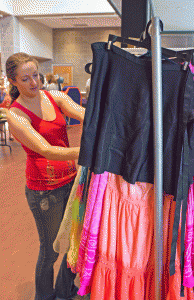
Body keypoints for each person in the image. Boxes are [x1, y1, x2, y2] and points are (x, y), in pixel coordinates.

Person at [6, 52, 85, 300]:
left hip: (72, 184)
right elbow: (45, 149)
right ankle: (44, 296)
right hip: (45, 192)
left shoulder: (55, 96)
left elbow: (86, 114)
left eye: (36, 76)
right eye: (26, 78)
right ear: (14, 82)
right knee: (50, 250)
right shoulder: (15, 114)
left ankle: (64, 289)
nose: (33, 83)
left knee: (73, 240)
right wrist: (87, 153)